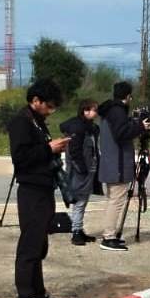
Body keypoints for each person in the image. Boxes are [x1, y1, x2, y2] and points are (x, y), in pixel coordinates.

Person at [8, 79, 71, 298]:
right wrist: (49, 149)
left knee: (40, 246)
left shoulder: (38, 122)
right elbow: (21, 158)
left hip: (44, 188)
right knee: (29, 247)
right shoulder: (20, 123)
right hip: (31, 190)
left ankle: (39, 295)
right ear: (36, 101)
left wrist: (54, 148)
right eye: (49, 106)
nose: (51, 111)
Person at [96, 81, 149, 252]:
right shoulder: (117, 111)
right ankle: (108, 237)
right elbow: (121, 133)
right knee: (116, 201)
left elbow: (120, 130)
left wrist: (134, 124)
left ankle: (109, 235)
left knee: (113, 200)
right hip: (116, 163)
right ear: (127, 96)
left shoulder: (109, 111)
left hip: (111, 161)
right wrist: (140, 126)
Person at [61, 99, 100, 246]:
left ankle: (79, 229)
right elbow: (75, 151)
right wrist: (82, 168)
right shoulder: (78, 128)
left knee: (83, 200)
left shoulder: (89, 128)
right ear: (85, 111)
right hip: (81, 170)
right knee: (79, 200)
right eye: (92, 110)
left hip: (88, 168)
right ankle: (76, 231)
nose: (95, 113)